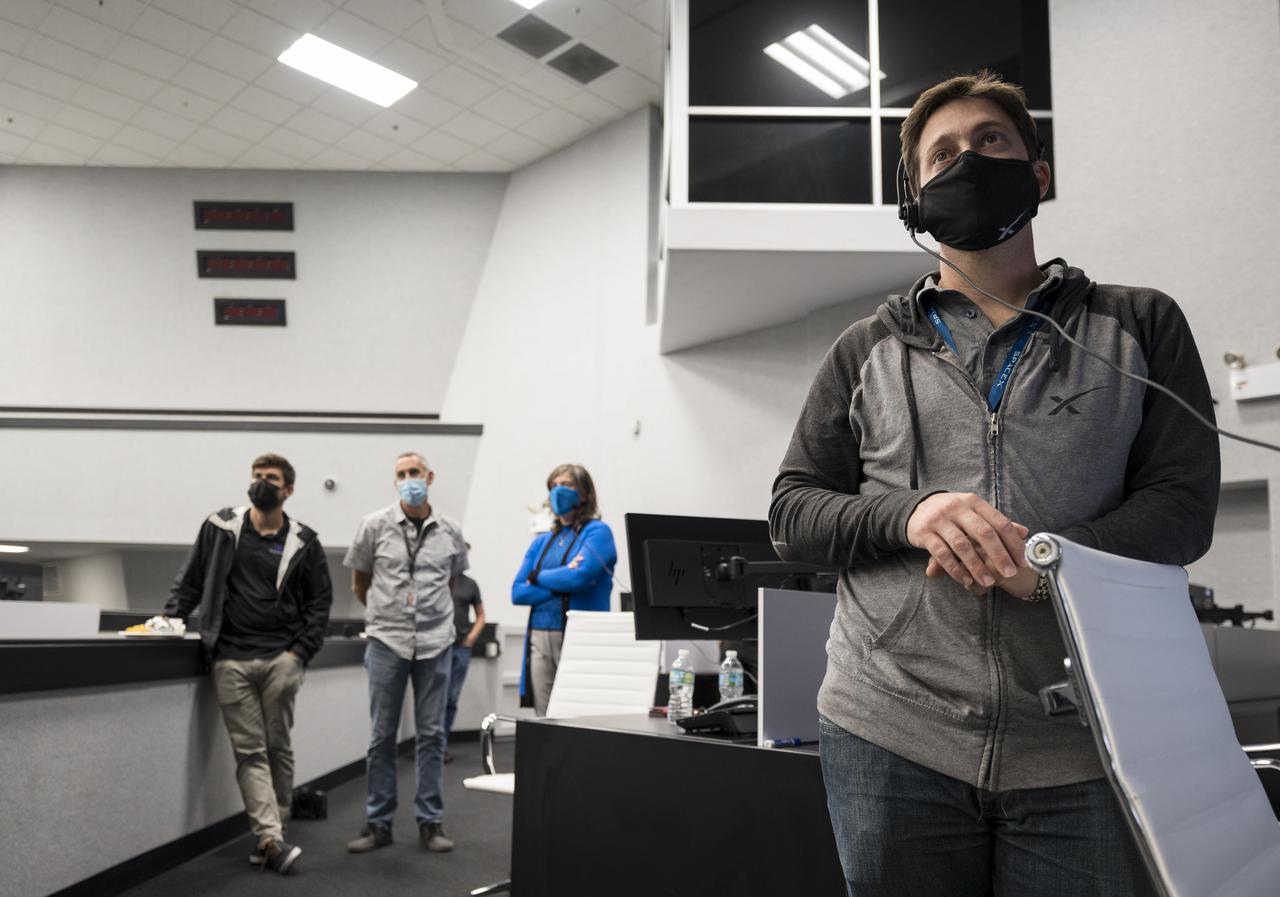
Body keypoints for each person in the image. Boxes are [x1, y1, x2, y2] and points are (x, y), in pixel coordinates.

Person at [768, 71, 1219, 897]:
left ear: (1037, 175)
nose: (968, 161)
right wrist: (912, 515)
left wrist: (1057, 563)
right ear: (915, 198)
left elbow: (1184, 510)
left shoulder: (1140, 325)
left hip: (1083, 739)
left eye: (991, 142)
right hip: (889, 726)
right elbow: (793, 509)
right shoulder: (864, 347)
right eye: (943, 154)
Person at [164, 453, 333, 876]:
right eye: (256, 476)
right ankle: (271, 839)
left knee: (278, 747)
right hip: (230, 659)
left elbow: (320, 603)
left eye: (271, 479)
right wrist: (170, 621)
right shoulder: (220, 528)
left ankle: (273, 833)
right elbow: (192, 580)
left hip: (281, 659)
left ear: (288, 489)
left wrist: (299, 655)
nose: (261, 483)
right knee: (250, 751)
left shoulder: (304, 541)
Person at [344, 452, 468, 855]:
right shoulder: (373, 526)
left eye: (415, 473)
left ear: (430, 476)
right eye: (401, 474)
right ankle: (378, 823)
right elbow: (360, 583)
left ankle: (430, 822)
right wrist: (390, 617)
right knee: (382, 736)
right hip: (387, 641)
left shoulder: (450, 529)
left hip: (435, 643)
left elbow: (451, 583)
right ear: (394, 481)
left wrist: (427, 617)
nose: (409, 479)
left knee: (432, 736)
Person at [512, 463, 617, 716]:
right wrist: (562, 582)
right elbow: (518, 592)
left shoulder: (597, 532)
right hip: (540, 633)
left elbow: (579, 576)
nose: (559, 491)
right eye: (554, 486)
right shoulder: (542, 542)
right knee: (545, 714)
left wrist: (536, 577)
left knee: (579, 711)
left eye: (567, 484)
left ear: (583, 493)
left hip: (579, 635)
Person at [443, 544, 485, 763]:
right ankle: (430, 745)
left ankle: (441, 746)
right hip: (439, 648)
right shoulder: (438, 580)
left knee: (450, 699)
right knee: (435, 699)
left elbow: (480, 616)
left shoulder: (470, 584)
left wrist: (471, 637)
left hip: (461, 648)